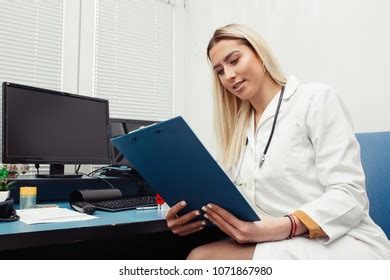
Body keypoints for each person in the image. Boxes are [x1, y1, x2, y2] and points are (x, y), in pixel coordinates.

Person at [165, 23, 390, 259]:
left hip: (343, 241)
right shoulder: (239, 128)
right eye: (219, 71)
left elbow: (350, 195)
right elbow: (239, 203)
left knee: (202, 260)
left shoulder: (315, 99)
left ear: (260, 54)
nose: (229, 75)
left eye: (234, 60)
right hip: (280, 240)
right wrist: (192, 215)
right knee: (196, 254)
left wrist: (285, 226)